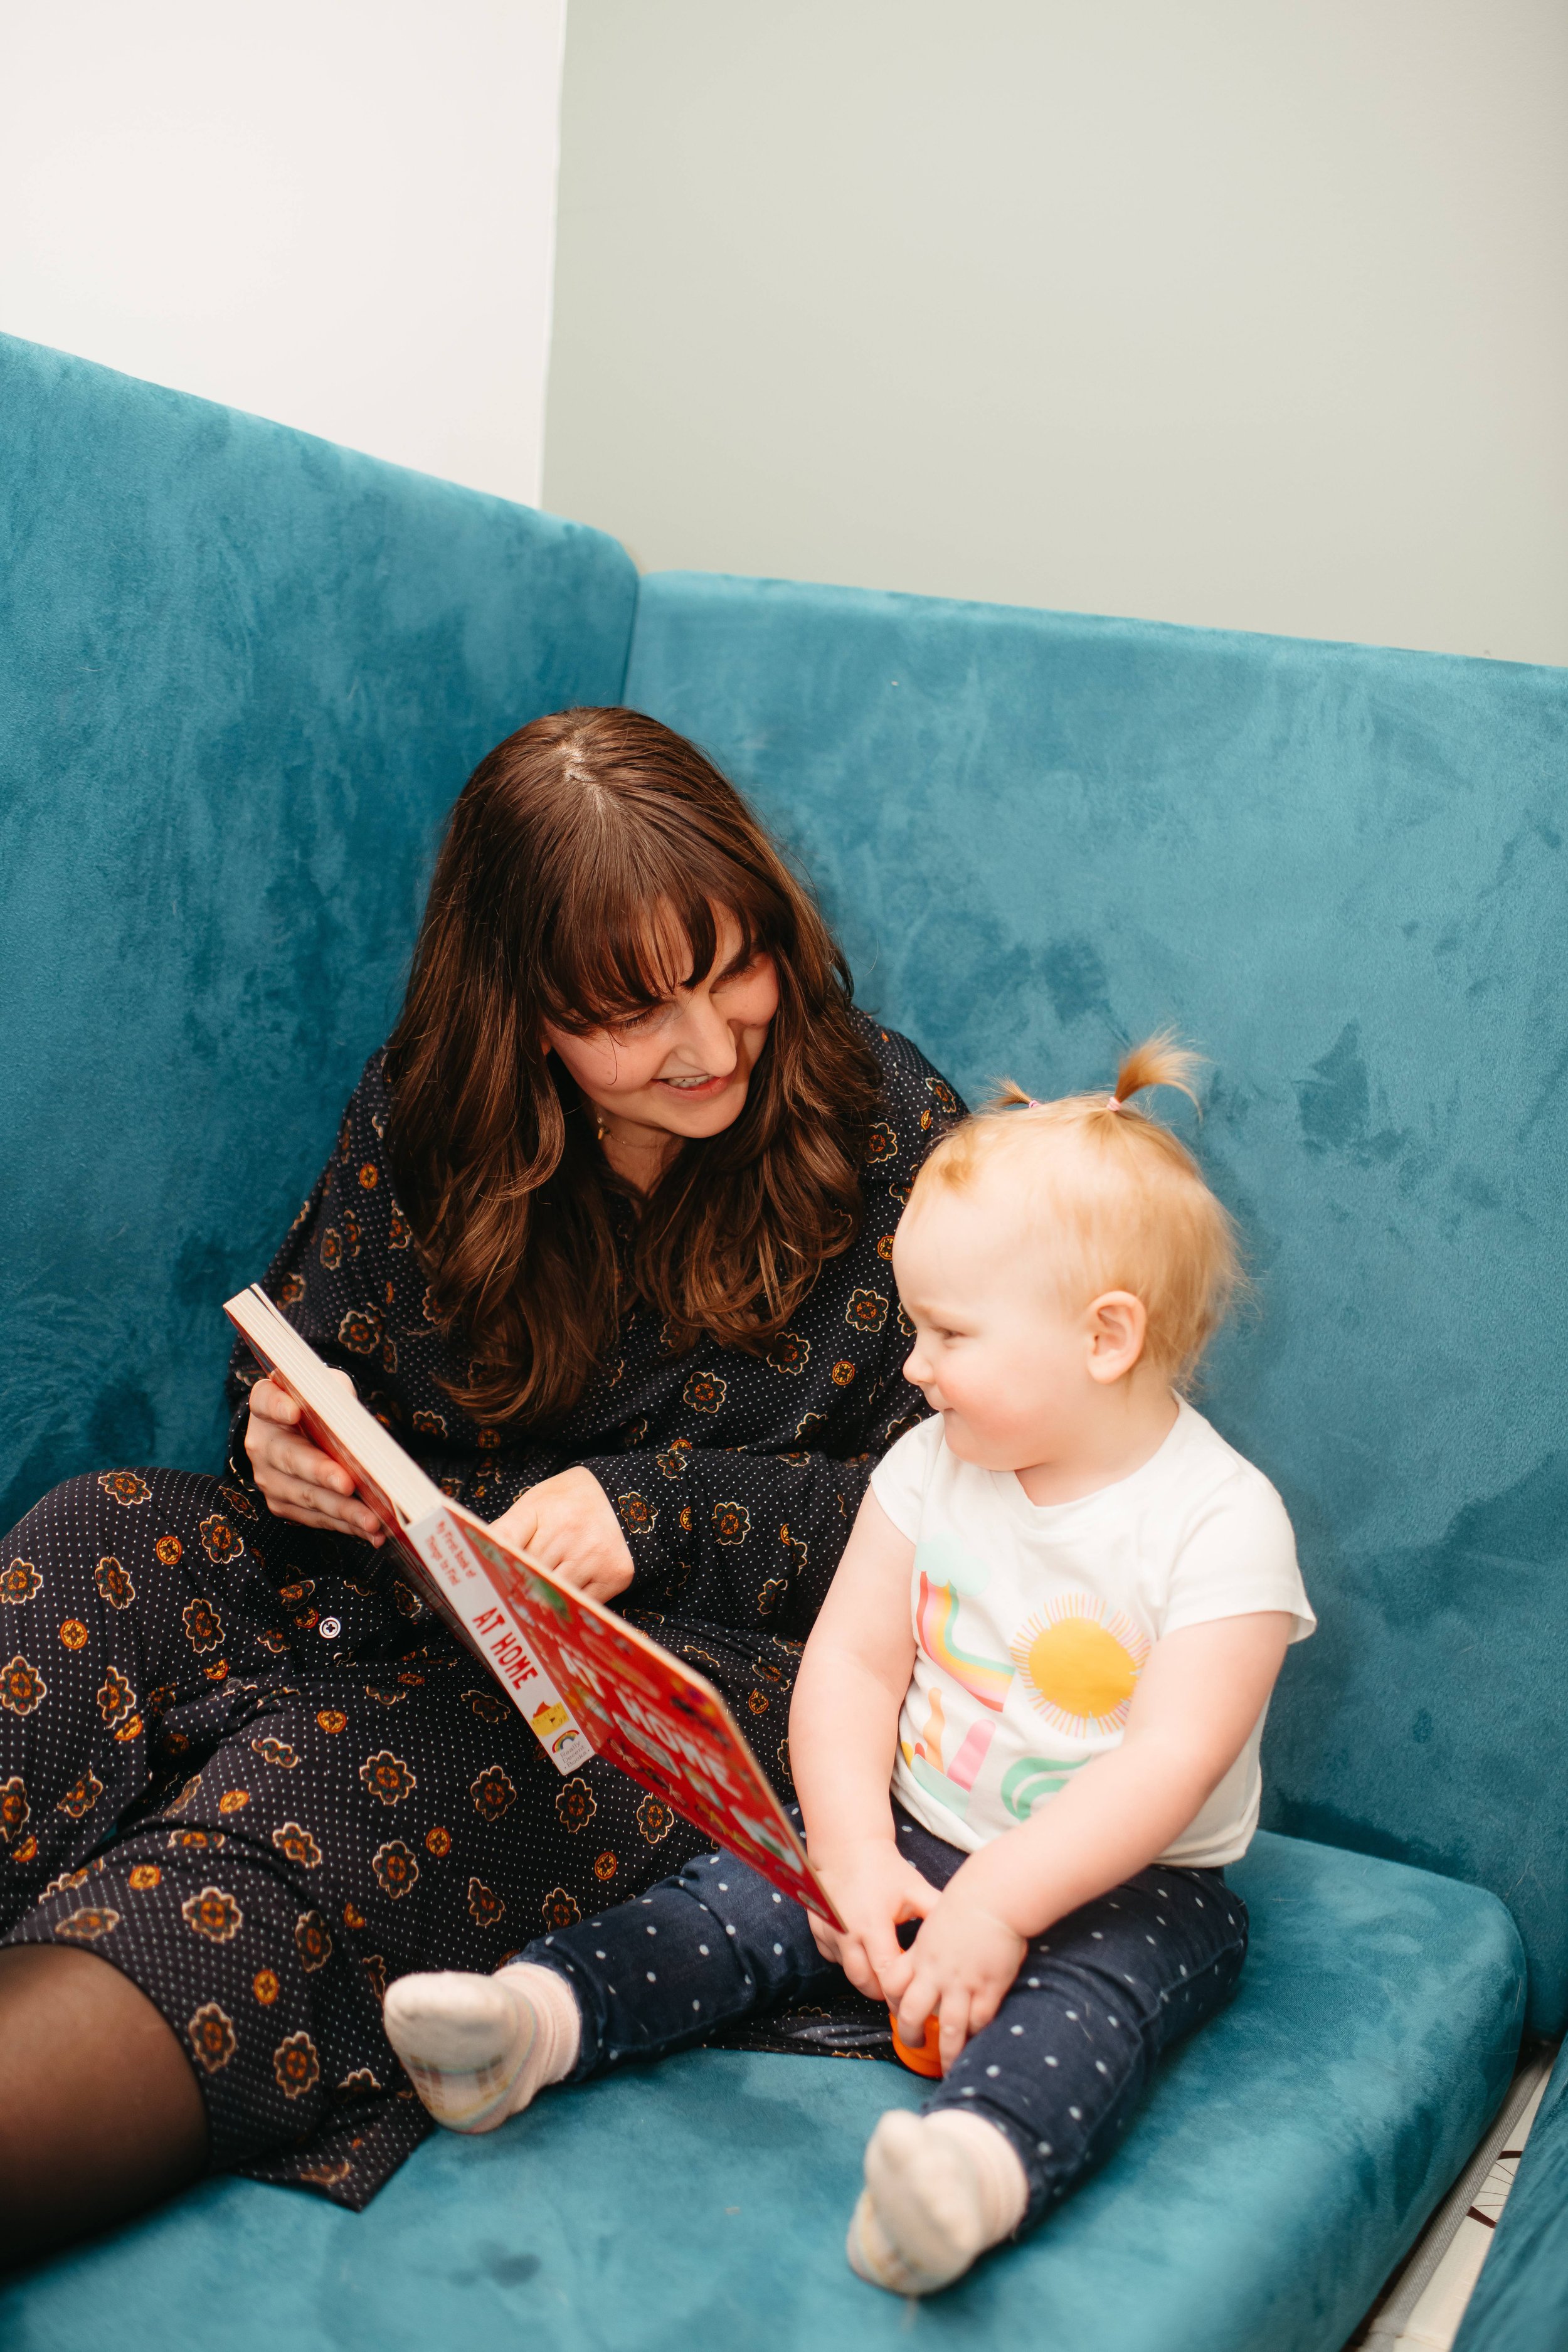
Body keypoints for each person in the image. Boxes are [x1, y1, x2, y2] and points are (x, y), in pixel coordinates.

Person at [0, 708, 964, 2259]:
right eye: (631, 1012)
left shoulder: (892, 1139)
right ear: (519, 1008)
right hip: (398, 1590)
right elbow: (310, 1344)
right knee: (101, 1531)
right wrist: (283, 1435)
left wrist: (652, 1514)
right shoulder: (431, 1110)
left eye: (731, 972)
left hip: (690, 1685)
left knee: (337, 1778)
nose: (709, 1045)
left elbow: (984, 1513)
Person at [381, 1038, 1315, 2296]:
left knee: (1095, 2006)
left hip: (1130, 1883)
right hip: (921, 1828)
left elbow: (1164, 1766)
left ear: (1105, 1338)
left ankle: (966, 2176)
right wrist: (849, 1851)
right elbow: (853, 1667)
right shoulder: (929, 1465)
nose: (912, 1366)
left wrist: (997, 1908)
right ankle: (530, 2025)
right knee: (735, 1899)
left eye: (946, 1333)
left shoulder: (1220, 1524)